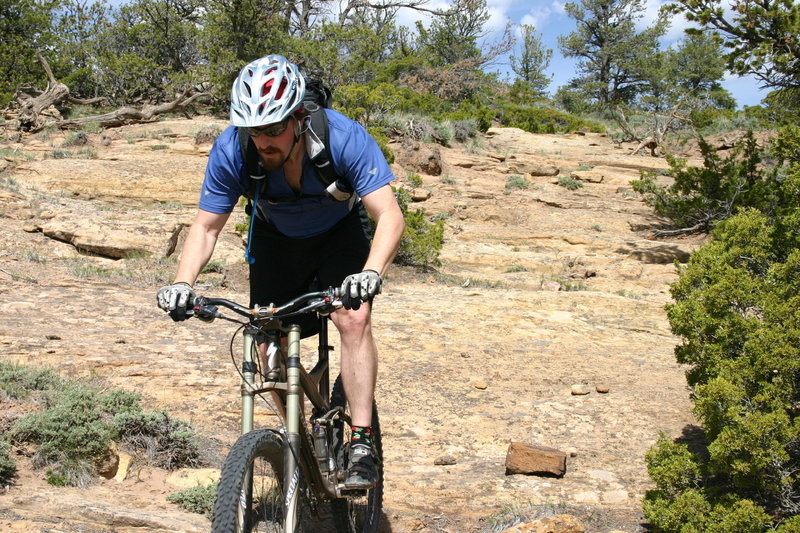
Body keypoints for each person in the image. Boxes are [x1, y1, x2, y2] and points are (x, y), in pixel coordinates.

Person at [156, 54, 404, 489]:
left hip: (338, 233)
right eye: (254, 131)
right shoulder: (233, 150)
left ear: (299, 117)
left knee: (353, 316)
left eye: (274, 129)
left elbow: (389, 215)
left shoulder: (343, 138)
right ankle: (294, 437)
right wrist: (182, 282)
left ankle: (361, 441)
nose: (263, 141)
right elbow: (206, 226)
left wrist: (370, 273)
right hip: (275, 238)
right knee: (264, 338)